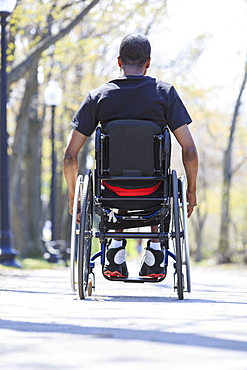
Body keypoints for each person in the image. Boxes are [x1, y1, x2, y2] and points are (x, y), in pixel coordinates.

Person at [63, 33, 198, 280]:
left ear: (119, 62)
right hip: (153, 189)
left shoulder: (98, 96)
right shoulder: (165, 93)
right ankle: (156, 250)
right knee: (160, 179)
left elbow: (70, 156)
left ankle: (115, 248)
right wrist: (191, 191)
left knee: (115, 171)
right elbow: (189, 151)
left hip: (110, 189)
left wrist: (76, 198)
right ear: (148, 62)